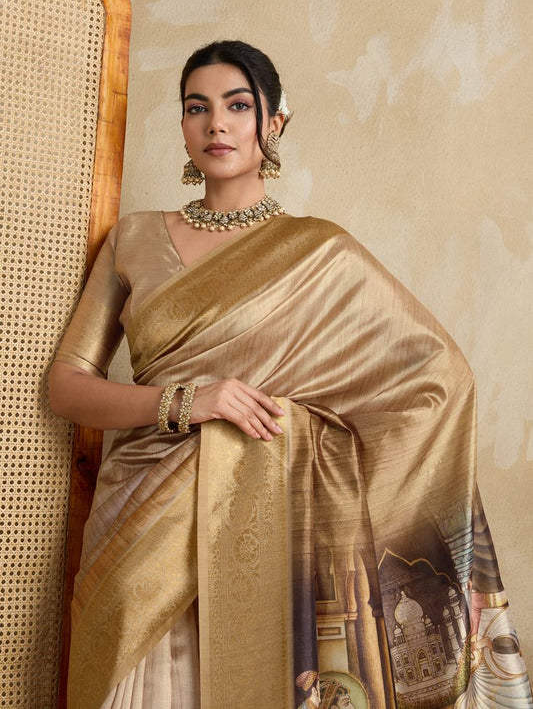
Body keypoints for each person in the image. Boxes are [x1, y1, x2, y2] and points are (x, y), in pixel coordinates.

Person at [49, 40, 532, 709]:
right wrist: (189, 402)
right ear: (182, 124)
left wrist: (289, 432)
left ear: (274, 123)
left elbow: (438, 381)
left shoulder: (320, 253)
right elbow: (67, 386)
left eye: (237, 106)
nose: (216, 124)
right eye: (197, 107)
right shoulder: (133, 238)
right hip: (140, 514)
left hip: (262, 521)